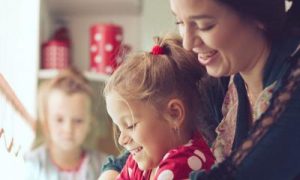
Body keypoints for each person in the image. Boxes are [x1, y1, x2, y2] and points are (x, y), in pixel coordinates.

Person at [100, 0, 300, 179]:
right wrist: (112, 172)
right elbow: (152, 138)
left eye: (205, 25)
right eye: (180, 22)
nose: (187, 43)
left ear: (258, 14)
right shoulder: (212, 83)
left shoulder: (292, 90)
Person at [102, 34, 216, 179]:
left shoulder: (183, 165)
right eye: (120, 128)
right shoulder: (141, 161)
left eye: (130, 126)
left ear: (174, 114)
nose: (121, 140)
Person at [24, 67, 107, 180]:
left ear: (89, 123)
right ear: (46, 122)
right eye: (59, 120)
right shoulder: (31, 164)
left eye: (78, 120)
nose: (68, 129)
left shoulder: (105, 166)